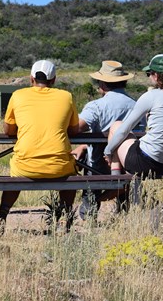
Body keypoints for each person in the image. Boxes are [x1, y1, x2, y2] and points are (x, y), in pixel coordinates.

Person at [0, 60, 80, 232]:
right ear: (54, 80)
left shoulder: (18, 95)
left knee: (14, 175)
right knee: (72, 171)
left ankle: (1, 217)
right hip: (59, 167)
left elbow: (8, 130)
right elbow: (74, 129)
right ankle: (64, 217)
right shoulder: (66, 96)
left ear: (31, 78)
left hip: (25, 166)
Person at [104, 54, 163, 179]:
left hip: (143, 163)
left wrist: (108, 151)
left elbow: (124, 129)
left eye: (149, 74)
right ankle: (120, 185)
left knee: (116, 126)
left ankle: (115, 180)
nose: (149, 77)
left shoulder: (152, 96)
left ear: (156, 75)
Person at [70, 60, 137, 219]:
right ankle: (123, 213)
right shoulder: (136, 105)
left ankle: (90, 209)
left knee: (90, 167)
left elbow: (77, 128)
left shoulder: (96, 106)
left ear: (103, 83)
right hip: (128, 163)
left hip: (99, 165)